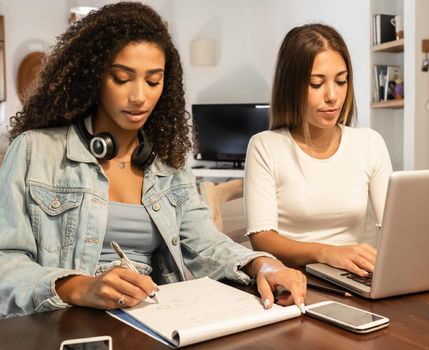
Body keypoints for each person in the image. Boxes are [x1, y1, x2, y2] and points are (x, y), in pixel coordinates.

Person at [0, 2, 305, 319]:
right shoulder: (34, 151)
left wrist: (261, 264)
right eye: (121, 78)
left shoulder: (168, 162)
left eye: (153, 80)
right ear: (93, 77)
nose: (139, 97)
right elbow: (5, 264)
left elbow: (203, 242)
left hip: (152, 322)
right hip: (64, 324)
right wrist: (76, 287)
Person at [244, 23, 393, 278]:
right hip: (295, 278)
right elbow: (262, 238)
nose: (332, 96)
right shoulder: (265, 147)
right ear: (291, 86)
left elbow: (394, 224)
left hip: (357, 276)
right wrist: (327, 252)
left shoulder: (370, 143)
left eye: (341, 81)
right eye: (316, 84)